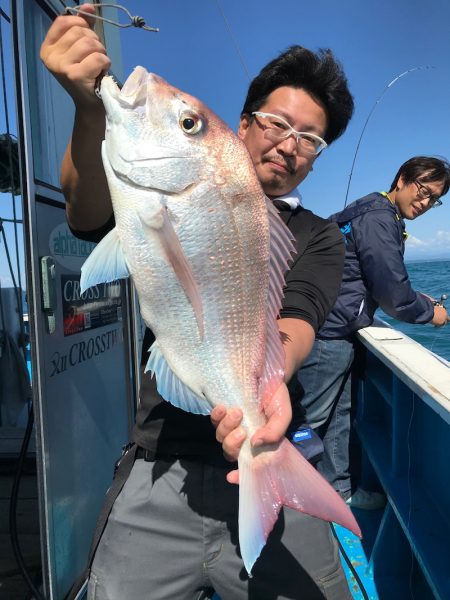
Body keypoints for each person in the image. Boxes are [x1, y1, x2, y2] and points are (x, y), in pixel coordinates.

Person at [40, 6, 355, 599]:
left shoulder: (318, 237)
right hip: (161, 454)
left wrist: (263, 390)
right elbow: (85, 217)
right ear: (241, 124)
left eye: (310, 139)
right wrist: (89, 109)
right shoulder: (165, 189)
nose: (290, 146)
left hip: (269, 439)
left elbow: (300, 317)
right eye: (276, 124)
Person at [295, 156, 450, 510]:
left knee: (338, 415)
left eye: (435, 199)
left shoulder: (369, 209)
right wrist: (432, 314)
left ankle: (337, 492)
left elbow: (371, 276)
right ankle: (293, 506)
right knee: (311, 421)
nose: (426, 203)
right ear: (402, 180)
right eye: (423, 191)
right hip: (327, 333)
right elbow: (394, 297)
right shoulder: (380, 219)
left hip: (337, 329)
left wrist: (414, 297)